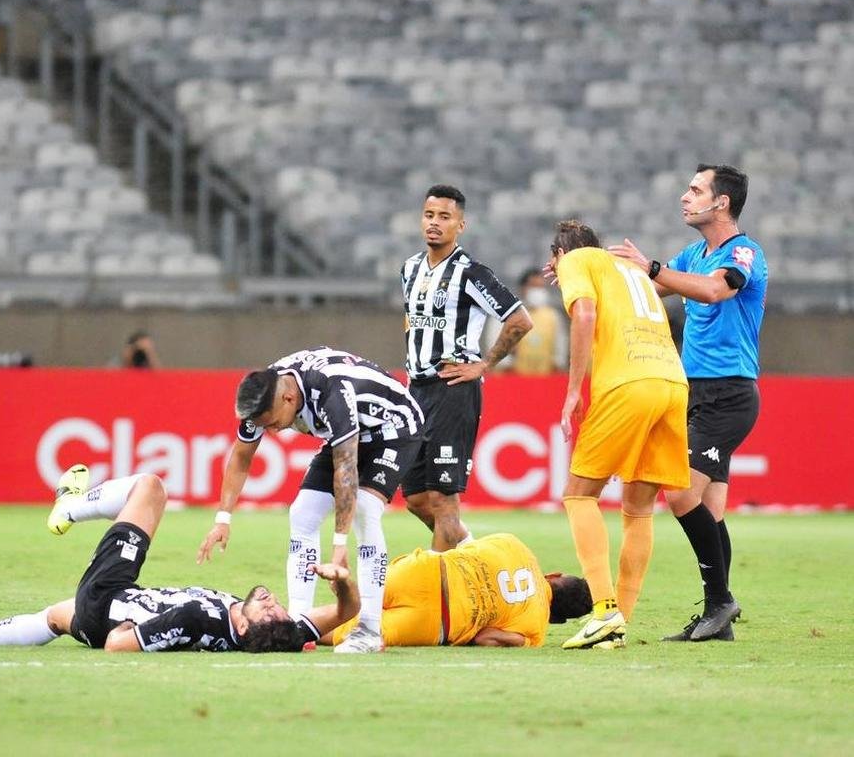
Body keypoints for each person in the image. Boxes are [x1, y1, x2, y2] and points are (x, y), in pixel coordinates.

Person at [0, 467, 359, 652]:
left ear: (245, 627)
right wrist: (341, 582)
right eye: (279, 606)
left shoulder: (196, 620)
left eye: (269, 609)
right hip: (104, 613)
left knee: (149, 489)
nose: (272, 600)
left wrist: (143, 630)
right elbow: (347, 611)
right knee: (52, 618)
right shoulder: (276, 635)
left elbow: (119, 645)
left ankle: (69, 506)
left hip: (109, 597)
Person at [607, 164, 765, 642]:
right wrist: (581, 271)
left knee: (678, 494)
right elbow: (643, 288)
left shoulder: (744, 252)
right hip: (693, 390)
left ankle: (720, 601)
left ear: (722, 203)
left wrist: (654, 268)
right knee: (710, 510)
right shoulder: (692, 254)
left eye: (695, 190)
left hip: (730, 392)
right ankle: (718, 616)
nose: (684, 197)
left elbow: (716, 290)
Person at [195, 347, 424, 653]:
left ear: (288, 400)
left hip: (394, 427)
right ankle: (299, 627)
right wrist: (222, 519)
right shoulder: (264, 394)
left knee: (366, 510)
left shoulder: (330, 392)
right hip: (345, 434)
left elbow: (345, 468)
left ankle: (370, 629)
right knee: (302, 513)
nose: (272, 431)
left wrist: (339, 544)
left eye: (273, 423)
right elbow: (241, 456)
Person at [548, 219, 690, 650]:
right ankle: (619, 623)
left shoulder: (575, 260)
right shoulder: (630, 270)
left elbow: (585, 312)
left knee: (578, 493)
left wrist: (574, 389)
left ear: (559, 254)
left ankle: (605, 610)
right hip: (672, 383)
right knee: (638, 508)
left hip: (628, 383)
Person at [400, 185, 533, 550]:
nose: (435, 223)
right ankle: (475, 555)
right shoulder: (410, 269)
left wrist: (483, 364)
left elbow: (520, 320)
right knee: (414, 499)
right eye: (429, 215)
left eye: (445, 217)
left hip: (452, 389)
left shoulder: (470, 273)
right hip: (416, 392)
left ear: (461, 225)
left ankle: (444, 592)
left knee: (443, 498)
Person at [325, 534, 593, 648]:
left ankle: (328, 595)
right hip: (438, 621)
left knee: (360, 603)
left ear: (555, 575)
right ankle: (290, 633)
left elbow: (466, 547)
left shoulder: (517, 545)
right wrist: (521, 641)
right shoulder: (536, 630)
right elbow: (485, 638)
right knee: (351, 633)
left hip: (427, 571)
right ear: (556, 618)